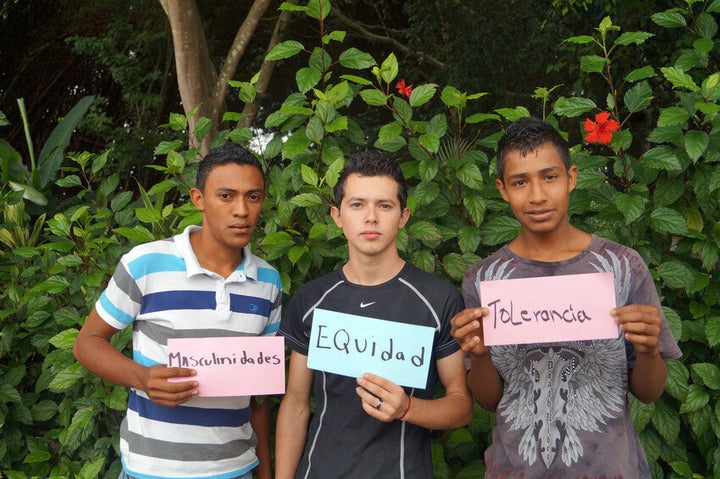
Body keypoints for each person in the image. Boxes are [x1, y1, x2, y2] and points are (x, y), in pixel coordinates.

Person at [451, 116, 682, 478]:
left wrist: (650, 350)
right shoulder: (485, 280)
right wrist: (479, 356)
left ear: (571, 178)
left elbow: (649, 393)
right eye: (520, 182)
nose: (538, 196)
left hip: (610, 468)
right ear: (502, 189)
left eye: (550, 177)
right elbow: (490, 400)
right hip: (517, 469)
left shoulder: (621, 267)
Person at [73, 142, 281, 479]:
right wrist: (141, 378)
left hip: (237, 469)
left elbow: (259, 395)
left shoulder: (268, 281)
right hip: (152, 470)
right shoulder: (146, 263)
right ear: (198, 199)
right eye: (226, 196)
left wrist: (265, 474)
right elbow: (87, 343)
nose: (241, 210)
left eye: (253, 196)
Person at [275, 150, 472, 479]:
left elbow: (461, 406)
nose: (371, 217)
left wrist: (408, 408)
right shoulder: (310, 300)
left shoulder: (439, 300)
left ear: (403, 216)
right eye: (357, 205)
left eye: (384, 205)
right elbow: (296, 404)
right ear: (337, 216)